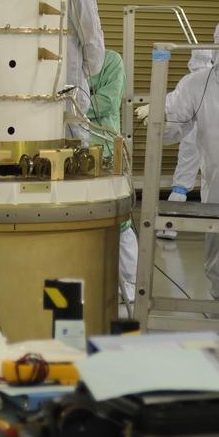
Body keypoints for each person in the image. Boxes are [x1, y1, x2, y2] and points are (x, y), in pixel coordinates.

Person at [159, 22, 219, 303]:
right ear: (216, 48)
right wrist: (157, 113)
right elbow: (171, 131)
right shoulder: (196, 84)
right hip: (218, 195)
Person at [87, 50, 137, 303]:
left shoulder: (112, 61)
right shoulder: (67, 59)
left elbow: (107, 101)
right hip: (72, 149)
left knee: (120, 222)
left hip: (105, 150)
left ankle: (128, 283)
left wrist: (72, 101)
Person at [157, 50, 212, 240]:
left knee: (182, 180)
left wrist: (156, 108)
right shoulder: (215, 78)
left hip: (190, 132)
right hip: (209, 135)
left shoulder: (190, 80)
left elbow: (173, 102)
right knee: (210, 180)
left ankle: (169, 225)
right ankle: (211, 224)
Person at [65, 0, 106, 140]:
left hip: (69, 88)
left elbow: (91, 42)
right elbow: (93, 42)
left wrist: (80, 73)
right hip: (68, 84)